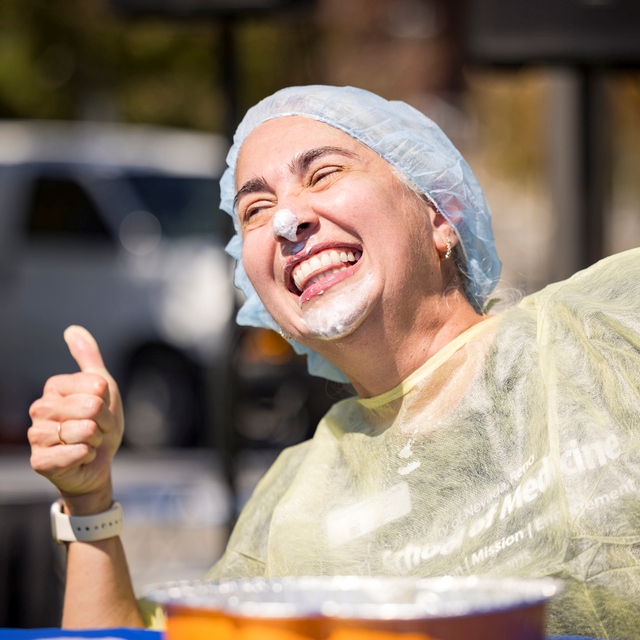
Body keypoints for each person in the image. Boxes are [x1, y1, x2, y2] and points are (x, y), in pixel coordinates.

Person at [29, 85, 640, 638]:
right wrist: (89, 500)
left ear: (440, 213)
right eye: (255, 211)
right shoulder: (293, 500)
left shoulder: (603, 338)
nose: (288, 221)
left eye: (322, 174)